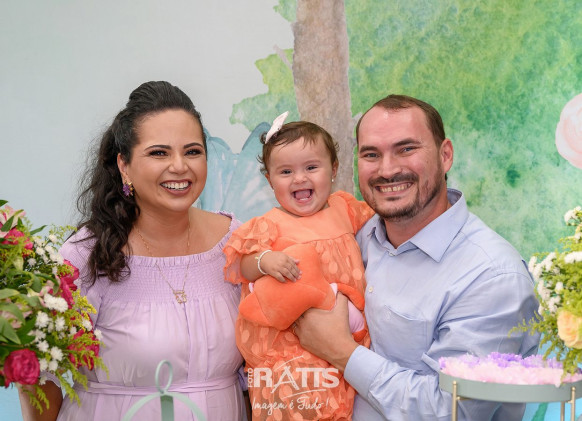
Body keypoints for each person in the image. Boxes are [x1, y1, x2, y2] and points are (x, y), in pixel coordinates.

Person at [294, 94, 540, 420]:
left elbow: (453, 410)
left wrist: (342, 353)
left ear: (445, 155)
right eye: (371, 154)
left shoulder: (492, 276)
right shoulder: (358, 237)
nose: (387, 170)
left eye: (406, 149)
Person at [18, 81, 247, 420]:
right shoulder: (86, 254)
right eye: (159, 153)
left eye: (192, 151)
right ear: (124, 165)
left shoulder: (238, 241)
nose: (180, 166)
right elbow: (41, 372)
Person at [223, 117, 374, 420]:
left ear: (333, 170)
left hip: (345, 337)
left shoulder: (344, 209)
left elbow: (383, 223)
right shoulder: (269, 225)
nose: (299, 179)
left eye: (311, 167)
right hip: (293, 344)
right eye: (286, 172)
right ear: (270, 180)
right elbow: (243, 265)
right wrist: (265, 260)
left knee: (345, 404)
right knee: (298, 404)